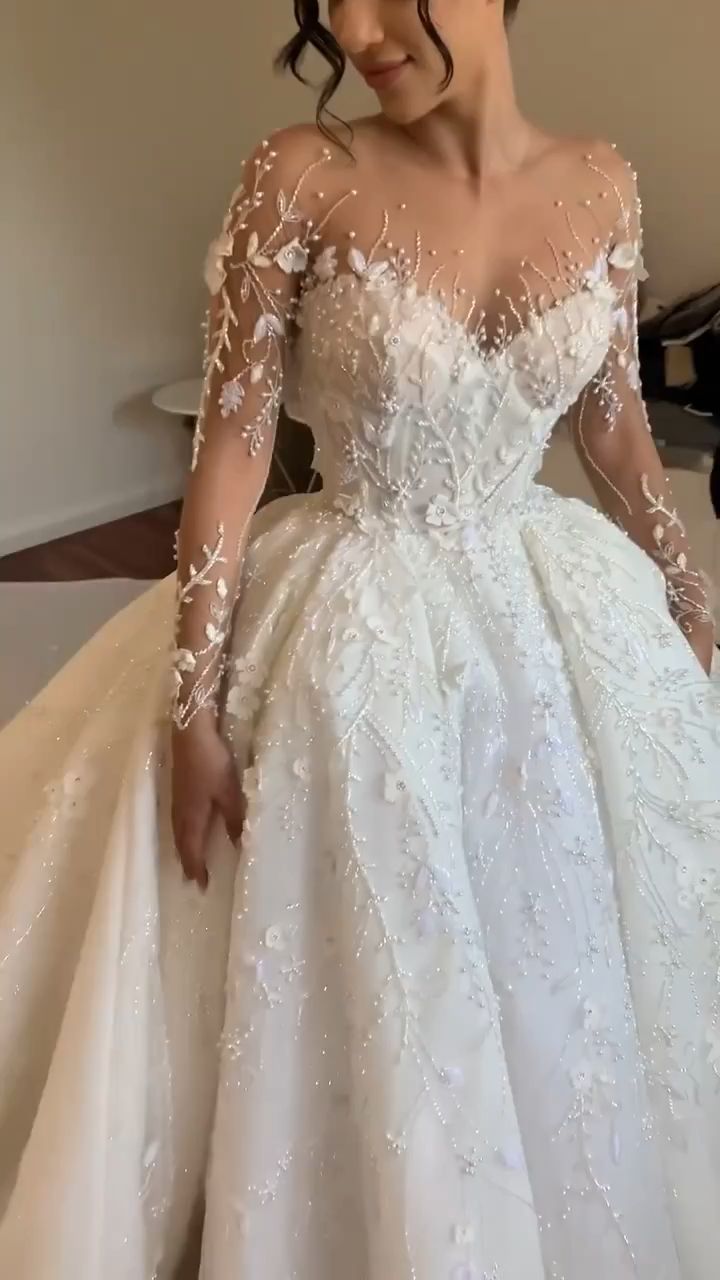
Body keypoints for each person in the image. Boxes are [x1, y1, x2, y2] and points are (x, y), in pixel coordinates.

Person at [0, 1, 719, 1276]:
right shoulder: (301, 173)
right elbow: (232, 437)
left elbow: (612, 425)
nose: (351, 22)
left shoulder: (602, 181)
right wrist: (193, 700)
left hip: (549, 591)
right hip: (350, 598)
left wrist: (691, 598)